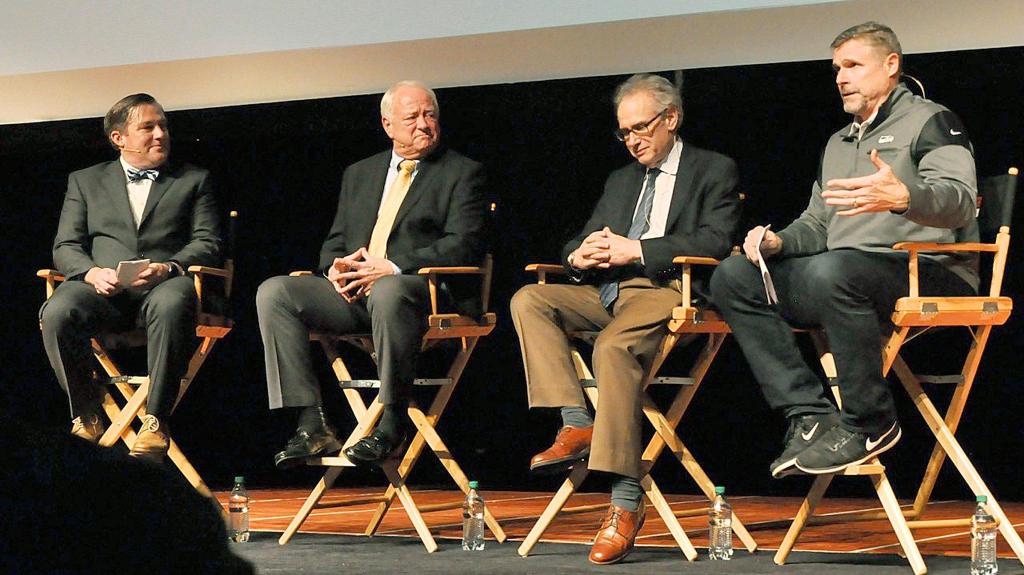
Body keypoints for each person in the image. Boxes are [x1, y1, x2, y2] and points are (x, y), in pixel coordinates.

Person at [710, 22, 978, 478]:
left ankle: (871, 422)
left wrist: (905, 196)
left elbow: (960, 199)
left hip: (925, 268)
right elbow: (818, 225)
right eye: (836, 68)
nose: (840, 77)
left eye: (853, 65)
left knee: (834, 269)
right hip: (843, 277)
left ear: (891, 65)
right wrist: (778, 242)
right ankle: (808, 414)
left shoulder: (931, 120)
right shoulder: (838, 142)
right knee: (733, 276)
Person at [510, 73, 740, 565]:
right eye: (624, 133)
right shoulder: (622, 179)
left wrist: (636, 249)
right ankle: (576, 422)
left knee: (612, 348)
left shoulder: (712, 169)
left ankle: (624, 503)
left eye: (641, 128)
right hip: (606, 291)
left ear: (671, 119)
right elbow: (582, 237)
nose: (632, 140)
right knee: (530, 298)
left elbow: (715, 242)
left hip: (667, 290)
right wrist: (580, 256)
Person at [258, 80, 487, 469]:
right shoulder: (359, 174)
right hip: (356, 295)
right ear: (387, 125)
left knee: (389, 290)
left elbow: (464, 243)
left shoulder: (462, 172)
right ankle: (311, 423)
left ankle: (393, 422)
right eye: (412, 117)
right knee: (275, 292)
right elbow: (334, 242)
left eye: (430, 115)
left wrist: (393, 267)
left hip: (422, 293)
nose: (423, 124)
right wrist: (336, 267)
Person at [39, 93, 222, 463]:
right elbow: (66, 245)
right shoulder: (85, 180)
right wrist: (91, 272)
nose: (160, 134)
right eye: (148, 127)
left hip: (161, 288)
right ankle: (86, 413)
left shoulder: (193, 179)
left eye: (163, 126)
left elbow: (208, 241)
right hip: (102, 292)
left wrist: (168, 267)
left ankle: (155, 420)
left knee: (176, 298)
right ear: (118, 138)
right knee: (58, 310)